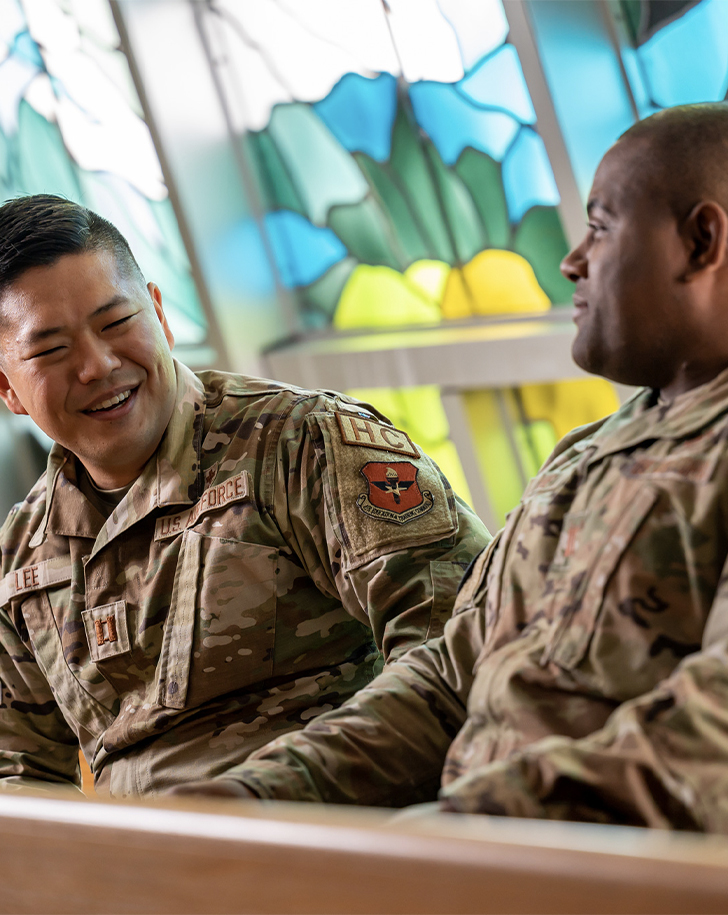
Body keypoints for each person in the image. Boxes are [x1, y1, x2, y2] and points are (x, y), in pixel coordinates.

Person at [171, 102, 728, 835]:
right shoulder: (586, 456)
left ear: (700, 240)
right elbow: (448, 680)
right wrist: (259, 794)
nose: (572, 260)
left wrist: (461, 830)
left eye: (601, 225)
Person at [0, 194, 489, 796]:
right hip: (149, 871)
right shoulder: (20, 558)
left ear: (159, 312)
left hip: (340, 831)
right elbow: (17, 776)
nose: (97, 365)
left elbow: (462, 644)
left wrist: (259, 798)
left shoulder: (302, 443)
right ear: (7, 387)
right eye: (51, 350)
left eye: (116, 322)